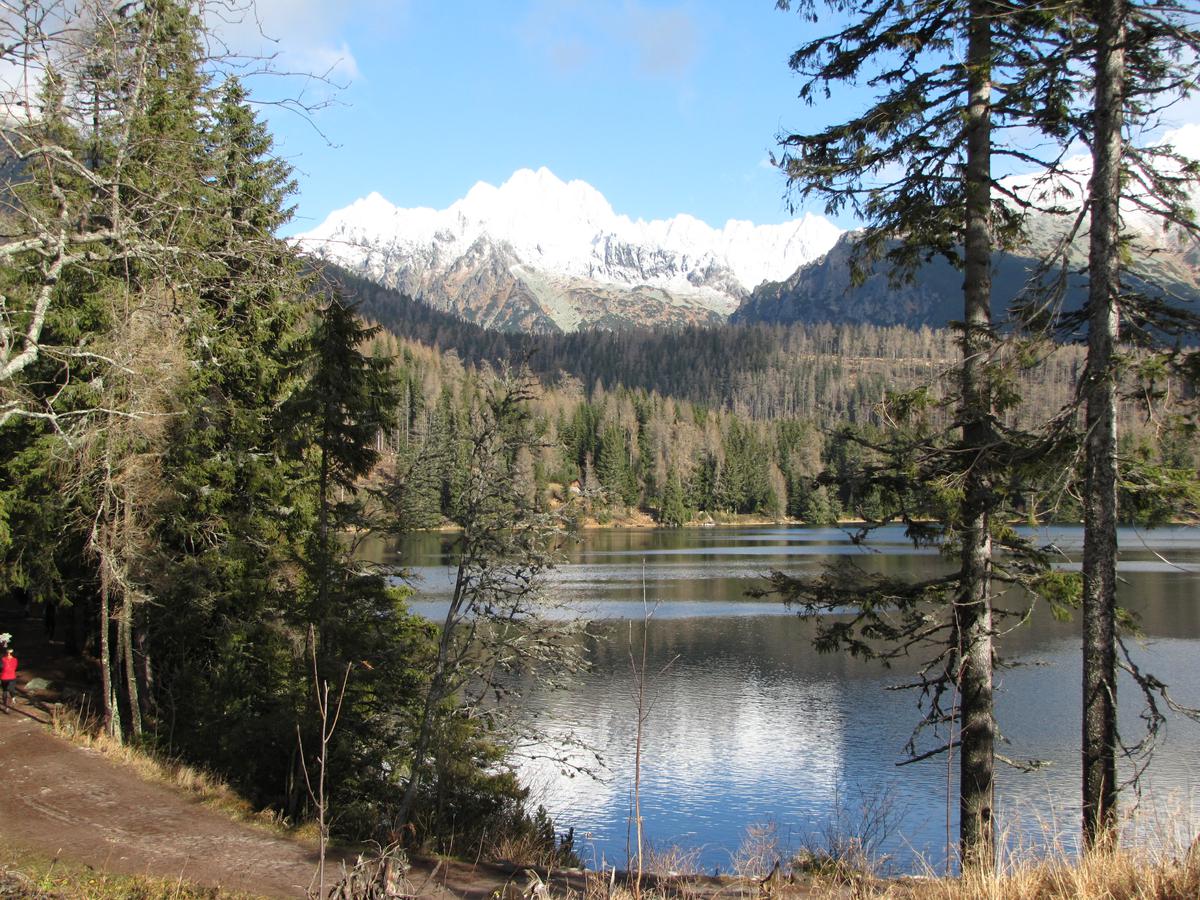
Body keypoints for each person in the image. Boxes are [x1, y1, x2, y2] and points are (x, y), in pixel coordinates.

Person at [1, 647, 16, 711]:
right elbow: (1, 667)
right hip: (4, 677)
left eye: (10, 653)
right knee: (4, 692)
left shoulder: (15, 660)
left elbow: (14, 668)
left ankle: (13, 697)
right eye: (8, 653)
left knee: (10, 689)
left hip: (12, 677)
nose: (9, 654)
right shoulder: (2, 659)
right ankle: (6, 706)